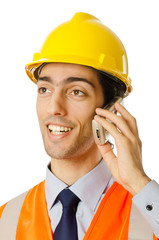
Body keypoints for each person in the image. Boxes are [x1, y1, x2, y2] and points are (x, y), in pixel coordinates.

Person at [0, 12, 159, 240]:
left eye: (76, 91)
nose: (54, 107)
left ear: (112, 108)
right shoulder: (6, 220)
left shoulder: (148, 213)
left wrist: (139, 183)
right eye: (44, 89)